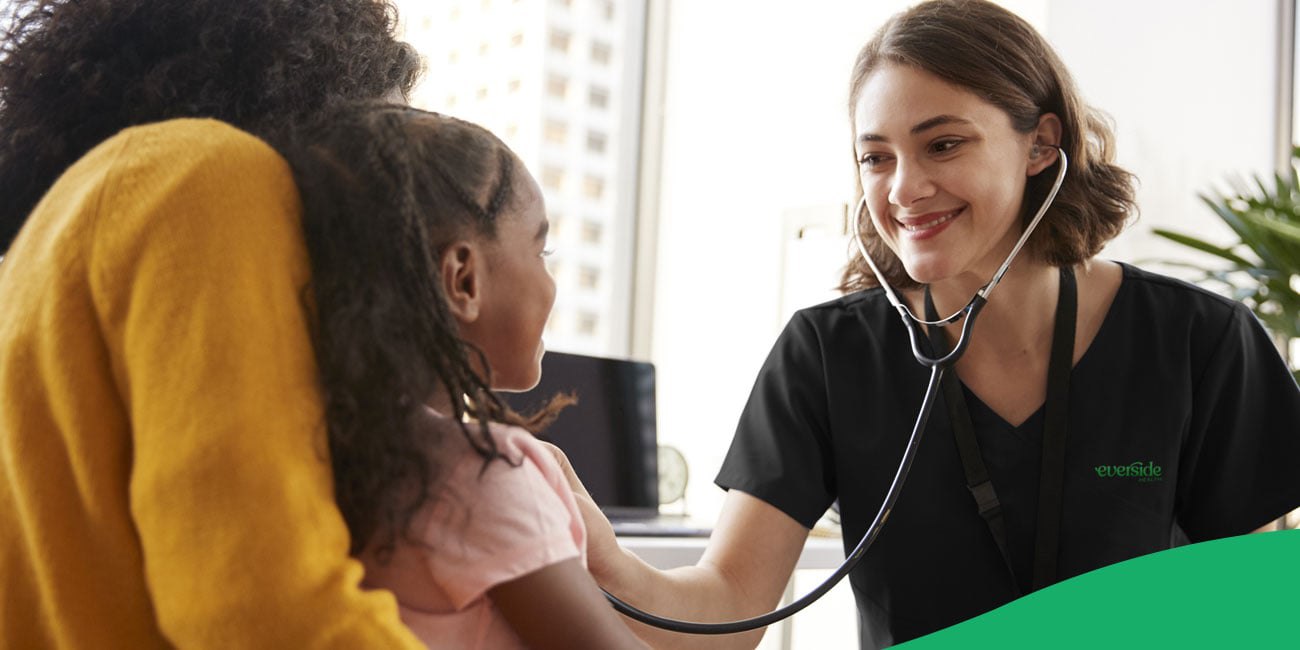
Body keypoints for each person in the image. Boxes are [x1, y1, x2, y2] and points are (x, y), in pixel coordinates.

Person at [563, 1, 1300, 648]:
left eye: (943, 144)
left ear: (1042, 144)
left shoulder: (1203, 342)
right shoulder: (825, 355)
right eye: (875, 158)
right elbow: (722, 617)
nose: (905, 189)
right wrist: (596, 547)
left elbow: (1246, 614)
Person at [0, 1, 434, 647]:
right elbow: (265, 610)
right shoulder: (209, 175)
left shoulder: (57, 243)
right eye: (390, 143)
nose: (404, 193)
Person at [283, 101, 647, 649]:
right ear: (464, 281)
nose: (551, 282)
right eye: (540, 249)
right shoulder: (484, 478)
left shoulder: (338, 455)